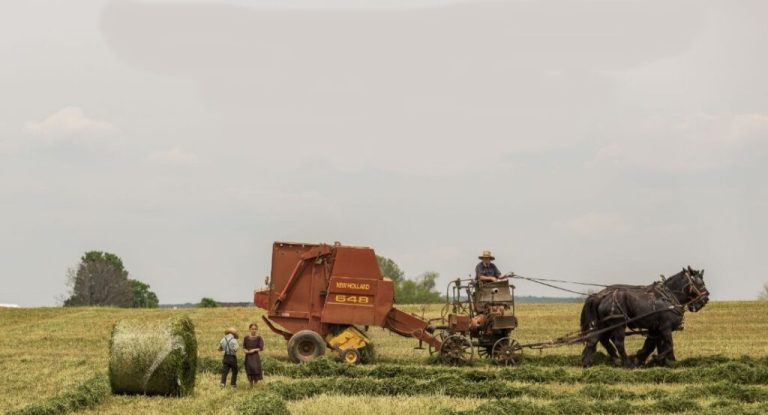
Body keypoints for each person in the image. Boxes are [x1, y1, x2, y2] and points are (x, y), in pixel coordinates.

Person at [243, 322, 264, 387]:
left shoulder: (259, 338)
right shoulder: (246, 338)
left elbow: (261, 348)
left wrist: (254, 350)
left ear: (257, 330)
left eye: (255, 329)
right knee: (249, 369)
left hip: (255, 356)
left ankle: (255, 384)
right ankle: (250, 384)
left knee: (255, 369)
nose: (254, 330)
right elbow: (244, 347)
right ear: (249, 329)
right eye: (252, 329)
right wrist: (245, 351)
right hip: (248, 356)